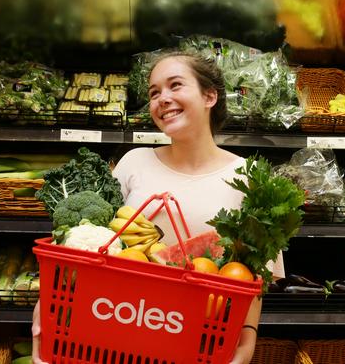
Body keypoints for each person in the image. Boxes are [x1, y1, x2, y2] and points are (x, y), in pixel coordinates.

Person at [32, 51, 285, 364]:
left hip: (199, 341)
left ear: (209, 96)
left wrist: (247, 342)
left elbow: (255, 279)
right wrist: (46, 311)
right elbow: (83, 245)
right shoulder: (133, 162)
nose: (162, 98)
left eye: (175, 85)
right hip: (119, 325)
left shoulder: (248, 177)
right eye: (154, 92)